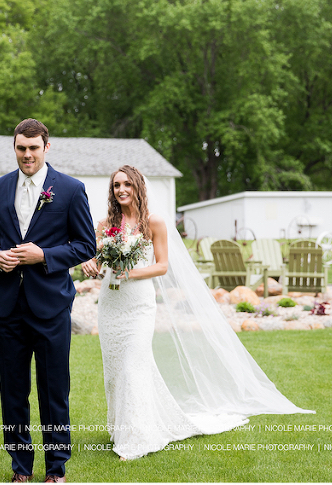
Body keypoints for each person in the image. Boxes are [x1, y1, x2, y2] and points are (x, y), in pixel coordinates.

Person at [82, 165, 314, 461]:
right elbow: (96, 259)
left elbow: (162, 266)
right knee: (115, 371)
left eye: (127, 184)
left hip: (138, 303)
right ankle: (123, 429)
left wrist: (132, 273)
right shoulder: (105, 224)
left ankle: (137, 437)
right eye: (116, 185)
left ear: (138, 187)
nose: (121, 190)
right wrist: (90, 263)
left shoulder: (154, 222)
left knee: (133, 366)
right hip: (111, 304)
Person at [0, 118, 96, 483]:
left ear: (47, 147)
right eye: (21, 148)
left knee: (53, 390)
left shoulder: (71, 189)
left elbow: (85, 246)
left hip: (51, 306)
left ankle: (56, 469)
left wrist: (43, 255)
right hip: (8, 306)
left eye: (33, 148)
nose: (27, 155)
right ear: (14, 148)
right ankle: (21, 468)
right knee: (13, 391)